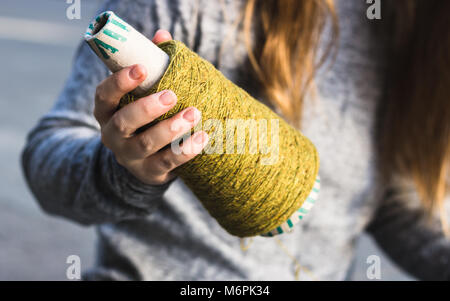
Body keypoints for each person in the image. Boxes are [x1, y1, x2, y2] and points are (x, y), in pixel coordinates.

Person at [21, 0, 450, 280]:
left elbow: (389, 202)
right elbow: (46, 162)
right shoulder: (185, 7)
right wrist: (125, 172)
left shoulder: (410, 27)